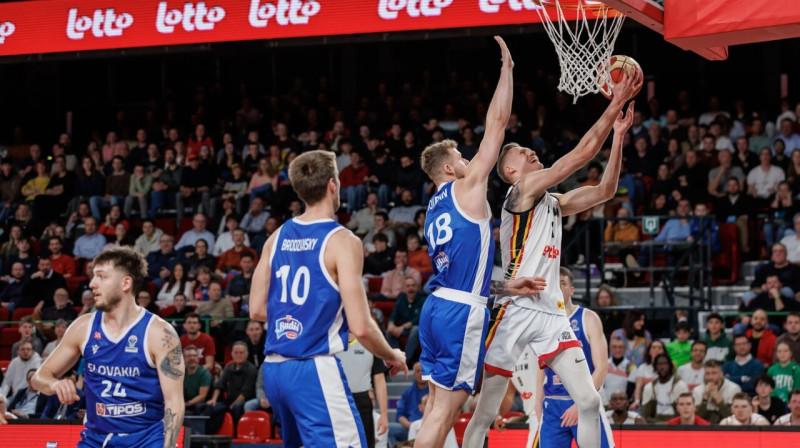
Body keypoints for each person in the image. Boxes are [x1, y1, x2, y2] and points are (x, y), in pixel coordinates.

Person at [465, 71, 639, 448]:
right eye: (523, 155)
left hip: (550, 312)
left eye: (531, 151)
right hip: (514, 307)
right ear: (512, 171)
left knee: (590, 401)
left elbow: (605, 191)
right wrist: (615, 102)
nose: (532, 153)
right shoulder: (519, 192)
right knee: (484, 412)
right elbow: (581, 155)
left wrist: (620, 137)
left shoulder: (553, 201)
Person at [408, 37, 524, 448]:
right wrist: (506, 72)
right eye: (460, 156)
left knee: (437, 405)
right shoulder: (467, 186)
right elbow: (496, 125)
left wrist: (505, 287)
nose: (467, 160)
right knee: (444, 411)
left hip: (437, 307)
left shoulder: (432, 211)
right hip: (460, 315)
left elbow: (464, 271)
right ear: (447, 167)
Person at [249, 149, 407, 447]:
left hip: (274, 370)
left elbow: (256, 309)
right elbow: (360, 326)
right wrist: (391, 354)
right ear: (333, 185)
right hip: (313, 370)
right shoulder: (343, 241)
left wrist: (299, 317)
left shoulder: (276, 237)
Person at [32, 247, 185, 448]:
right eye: (93, 276)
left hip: (145, 439)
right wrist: (54, 385)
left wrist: (168, 445)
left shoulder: (159, 333)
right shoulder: (83, 327)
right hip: (96, 438)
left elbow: (174, 401)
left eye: (101, 277)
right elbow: (38, 378)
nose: (92, 284)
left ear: (125, 283)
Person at [532, 267, 613, 445]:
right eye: (555, 284)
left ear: (571, 290)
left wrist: (581, 404)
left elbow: (601, 368)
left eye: (563, 283)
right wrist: (537, 404)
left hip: (582, 403)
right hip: (553, 405)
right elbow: (541, 368)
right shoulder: (544, 322)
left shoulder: (588, 318)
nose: (558, 288)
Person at [336, 334, 390, 448]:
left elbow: (380, 381)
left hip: (362, 400)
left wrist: (384, 415)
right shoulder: (331, 338)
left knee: (365, 443)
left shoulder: (371, 342)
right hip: (337, 400)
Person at [204, 341, 257, 434]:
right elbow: (220, 384)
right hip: (230, 399)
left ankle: (236, 433)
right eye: (236, 353)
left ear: (247, 354)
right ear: (232, 354)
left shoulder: (251, 369)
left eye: (241, 353)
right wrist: (213, 399)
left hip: (245, 400)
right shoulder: (229, 367)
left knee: (236, 407)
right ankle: (208, 433)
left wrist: (234, 403)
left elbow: (247, 392)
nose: (238, 355)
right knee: (212, 407)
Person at [386, 277, 425, 364]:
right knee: (388, 332)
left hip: (419, 329)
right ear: (404, 288)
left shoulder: (423, 299)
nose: (410, 288)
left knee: (416, 329)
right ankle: (396, 357)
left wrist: (402, 327)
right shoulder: (401, 299)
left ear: (418, 288)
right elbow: (394, 315)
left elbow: (419, 318)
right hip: (404, 329)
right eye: (408, 286)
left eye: (413, 286)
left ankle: (404, 360)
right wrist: (391, 325)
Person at [641, 353, 689, 423]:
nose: (662, 367)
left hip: (676, 426)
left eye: (665, 364)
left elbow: (685, 413)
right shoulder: (649, 388)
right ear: (655, 367)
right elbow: (646, 415)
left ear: (670, 366)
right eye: (659, 364)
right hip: (655, 425)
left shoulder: (680, 385)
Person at [389, 362, 428, 446]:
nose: (421, 373)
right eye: (418, 371)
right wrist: (411, 426)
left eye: (423, 370)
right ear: (414, 374)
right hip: (409, 428)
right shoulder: (407, 392)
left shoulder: (435, 392)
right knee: (390, 428)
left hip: (429, 428)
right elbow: (399, 416)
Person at [693, 359, 741, 423]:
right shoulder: (698, 390)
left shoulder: (733, 388)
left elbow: (733, 418)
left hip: (727, 428)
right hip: (704, 428)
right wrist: (705, 398)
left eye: (714, 373)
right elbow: (696, 419)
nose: (710, 377)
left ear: (721, 374)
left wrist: (718, 399)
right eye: (707, 373)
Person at [604, 337, 635, 405]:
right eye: (614, 347)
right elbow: (600, 387)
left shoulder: (631, 366)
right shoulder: (604, 364)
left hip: (623, 405)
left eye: (620, 347)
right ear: (610, 348)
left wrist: (623, 403)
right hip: (606, 404)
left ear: (624, 349)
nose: (617, 350)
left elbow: (630, 388)